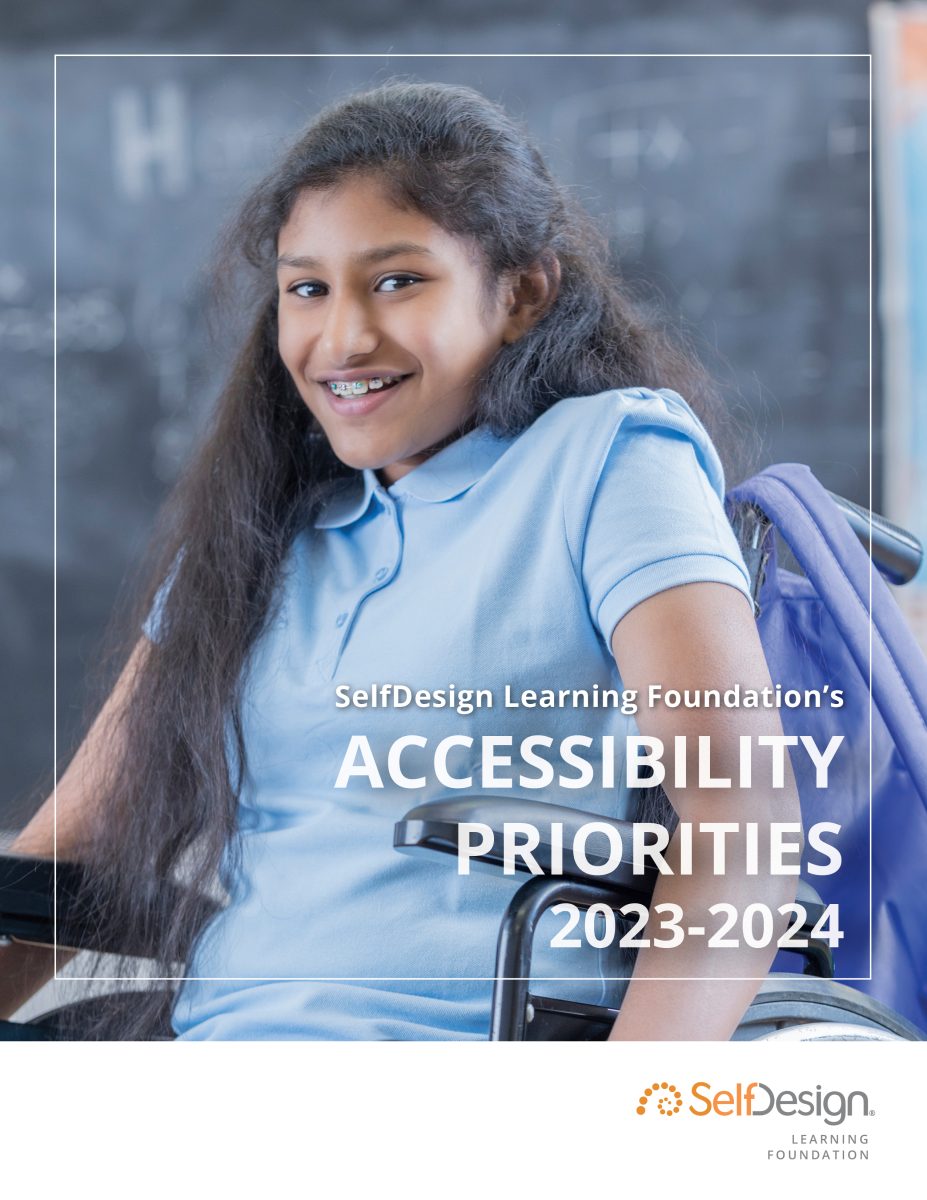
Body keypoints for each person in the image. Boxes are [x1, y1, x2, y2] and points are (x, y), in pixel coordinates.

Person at [0, 80, 801, 1040]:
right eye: (307, 289)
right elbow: (68, 854)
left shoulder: (609, 458)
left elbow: (741, 819)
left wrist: (622, 1127)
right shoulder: (261, 535)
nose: (341, 338)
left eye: (396, 281)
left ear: (521, 293)